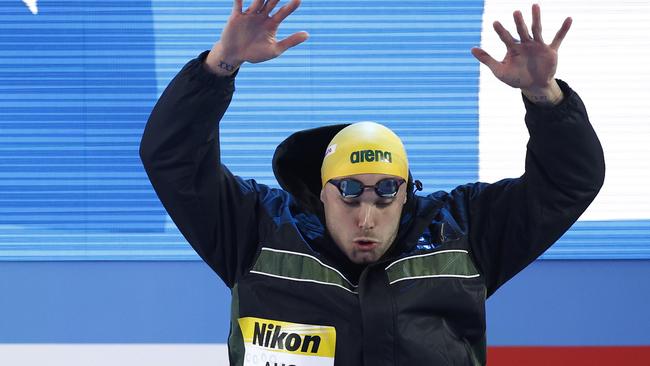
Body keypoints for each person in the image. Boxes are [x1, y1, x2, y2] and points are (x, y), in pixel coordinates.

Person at [139, 1, 605, 365]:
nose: (367, 216)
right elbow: (173, 158)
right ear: (320, 192)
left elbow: (569, 180)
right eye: (348, 192)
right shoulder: (255, 231)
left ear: (407, 192)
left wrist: (544, 97)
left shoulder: (465, 233)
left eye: (386, 194)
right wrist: (220, 64)